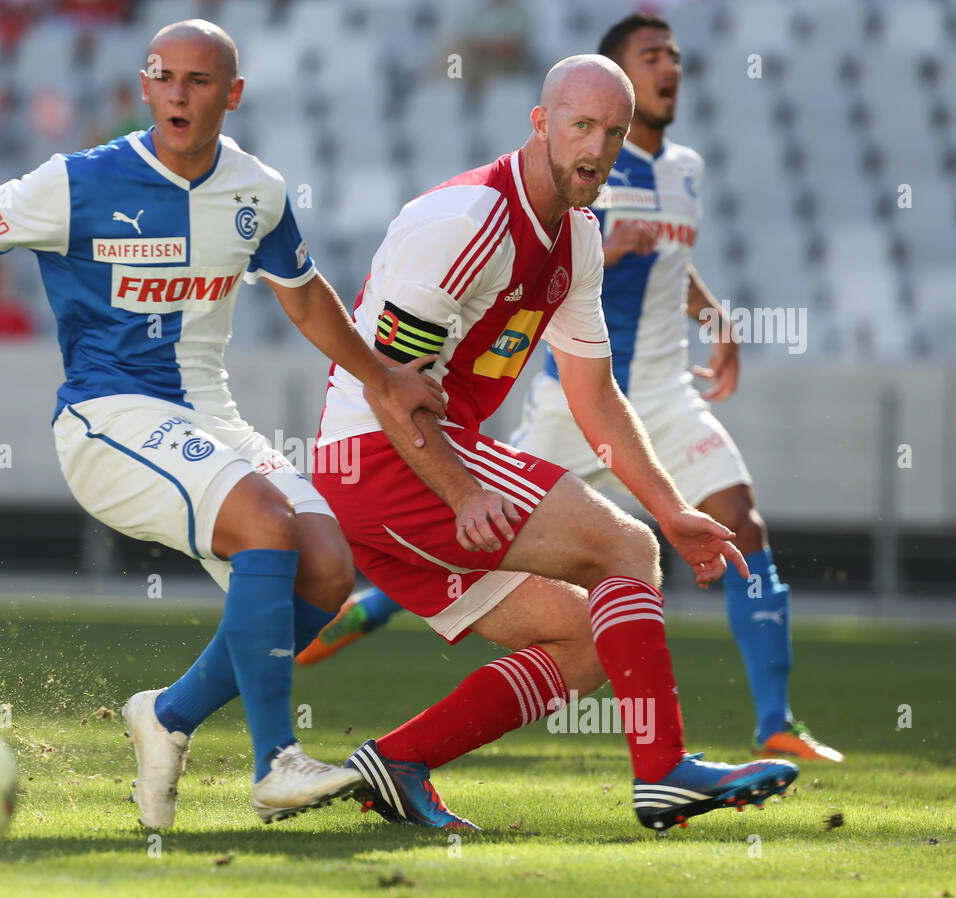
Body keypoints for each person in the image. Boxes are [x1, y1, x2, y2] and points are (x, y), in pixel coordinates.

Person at [0, 19, 444, 829]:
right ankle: (275, 764)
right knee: (267, 526)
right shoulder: (75, 182)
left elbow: (302, 292)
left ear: (231, 95)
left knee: (329, 573)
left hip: (209, 414)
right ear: (144, 84)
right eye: (164, 76)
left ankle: (167, 716)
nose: (179, 94)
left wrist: (380, 379)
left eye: (199, 81)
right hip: (106, 418)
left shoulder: (257, 190)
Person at [302, 13, 842, 766]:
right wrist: (462, 494)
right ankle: (664, 772)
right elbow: (393, 392)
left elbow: (597, 398)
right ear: (540, 122)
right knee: (624, 548)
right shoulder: (473, 221)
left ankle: (391, 763)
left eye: (612, 132)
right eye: (581, 125)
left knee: (589, 640)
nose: (597, 147)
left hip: (436, 455)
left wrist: (674, 508)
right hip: (382, 456)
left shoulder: (579, 233)